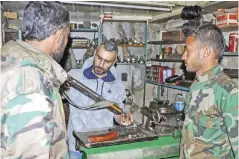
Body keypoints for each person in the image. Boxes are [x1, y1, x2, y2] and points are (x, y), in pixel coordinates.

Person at [1, 2, 70, 159]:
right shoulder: (30, 83)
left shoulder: (10, 58)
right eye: (66, 36)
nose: (66, 42)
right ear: (59, 35)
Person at [66, 39, 132, 158]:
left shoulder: (118, 86)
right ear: (95, 52)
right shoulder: (73, 77)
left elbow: (117, 113)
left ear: (114, 61)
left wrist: (121, 118)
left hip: (102, 146)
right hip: (75, 147)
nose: (100, 65)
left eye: (107, 61)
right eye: (99, 58)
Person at [180, 24, 238, 159]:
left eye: (187, 51)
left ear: (205, 52)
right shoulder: (196, 85)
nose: (183, 56)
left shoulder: (228, 92)